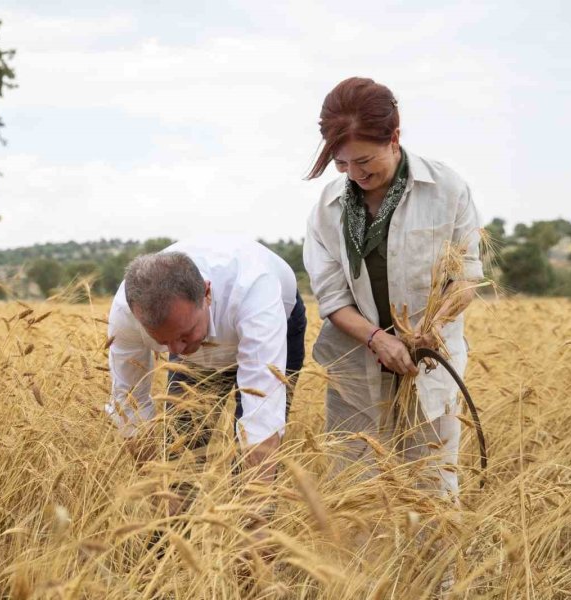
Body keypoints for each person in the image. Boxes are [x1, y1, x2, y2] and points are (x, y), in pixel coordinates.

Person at [302, 77, 484, 498]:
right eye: (343, 164)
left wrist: (429, 329)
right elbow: (332, 298)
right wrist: (376, 338)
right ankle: (366, 569)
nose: (356, 174)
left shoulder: (446, 189)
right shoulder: (327, 210)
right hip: (355, 369)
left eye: (364, 160)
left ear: (394, 137)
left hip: (430, 365)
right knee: (356, 494)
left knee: (432, 491)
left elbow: (466, 278)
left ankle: (435, 568)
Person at [106, 235, 307, 489]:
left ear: (207, 293)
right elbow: (129, 402)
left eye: (183, 335)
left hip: (279, 324)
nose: (177, 351)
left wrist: (256, 517)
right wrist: (158, 492)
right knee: (182, 452)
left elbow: (263, 414)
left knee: (249, 461)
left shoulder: (254, 290)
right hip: (214, 327)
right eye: (164, 342)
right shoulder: (127, 312)